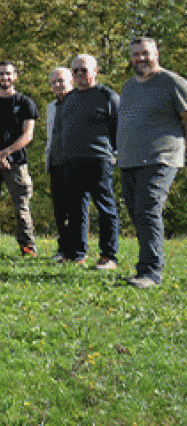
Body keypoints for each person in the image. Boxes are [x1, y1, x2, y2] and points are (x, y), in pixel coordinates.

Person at [117, 37, 187, 288]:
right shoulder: (129, 86)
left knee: (147, 208)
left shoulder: (172, 82)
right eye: (136, 54)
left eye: (145, 53)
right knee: (137, 213)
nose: (141, 58)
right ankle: (147, 264)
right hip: (129, 159)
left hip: (161, 157)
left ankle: (150, 273)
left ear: (156, 53)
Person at [0, 60, 39, 256]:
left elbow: (28, 134)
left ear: (15, 76)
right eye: (1, 74)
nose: (5, 77)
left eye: (8, 74)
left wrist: (6, 152)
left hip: (17, 162)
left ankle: (28, 246)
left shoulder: (25, 103)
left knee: (21, 206)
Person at [60, 54, 120, 269]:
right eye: (74, 71)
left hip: (99, 160)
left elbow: (119, 129)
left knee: (105, 208)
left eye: (83, 70)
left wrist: (115, 153)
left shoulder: (108, 96)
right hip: (72, 161)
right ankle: (77, 254)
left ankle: (108, 256)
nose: (79, 75)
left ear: (95, 72)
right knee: (76, 209)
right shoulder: (69, 98)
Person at [44, 67, 75, 263]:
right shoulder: (51, 107)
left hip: (76, 163)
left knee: (76, 210)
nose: (57, 85)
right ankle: (63, 248)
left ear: (71, 81)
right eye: (54, 82)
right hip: (56, 163)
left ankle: (77, 250)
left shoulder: (79, 102)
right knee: (59, 210)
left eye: (61, 81)